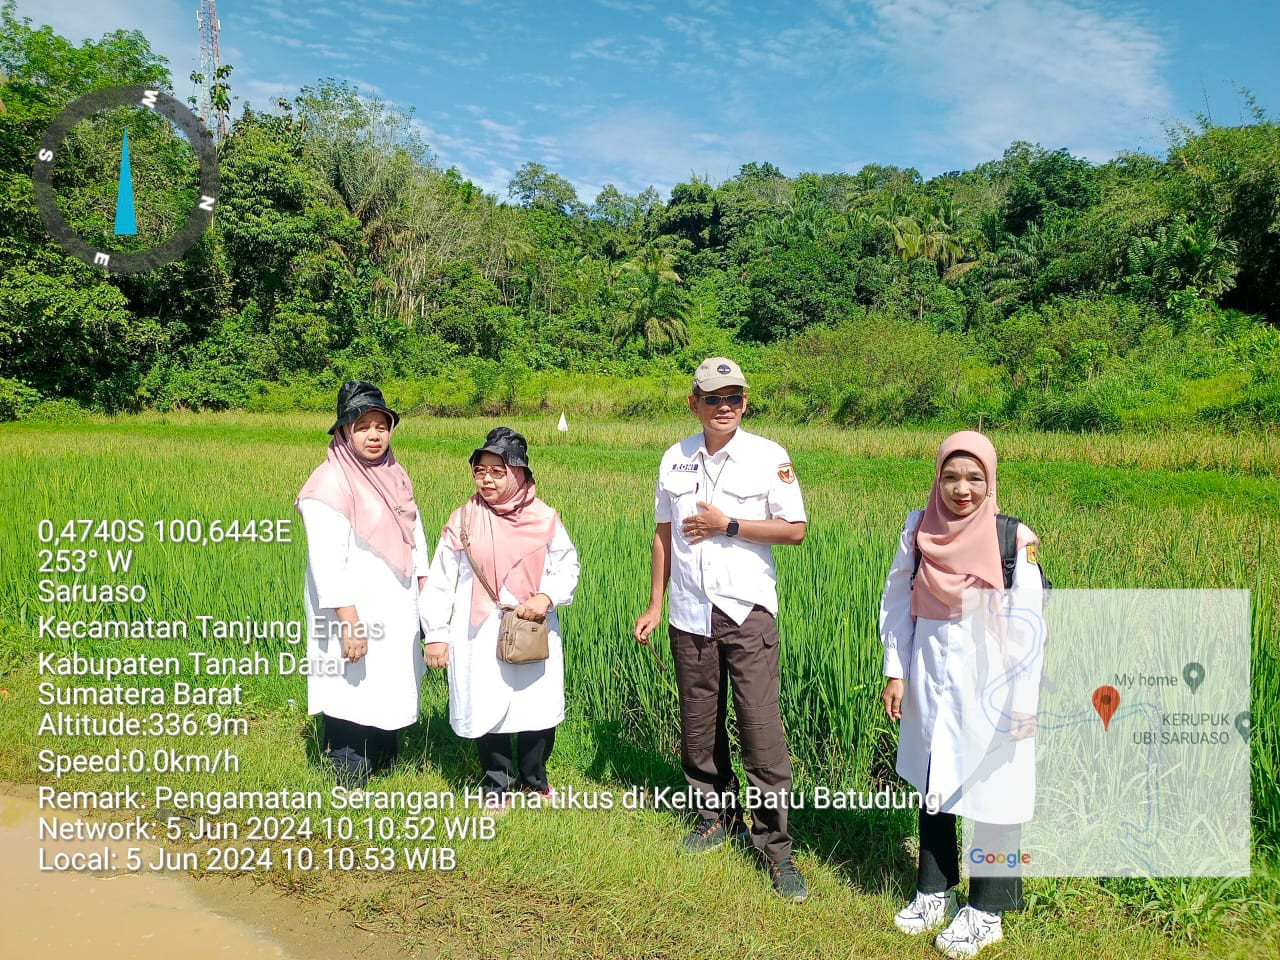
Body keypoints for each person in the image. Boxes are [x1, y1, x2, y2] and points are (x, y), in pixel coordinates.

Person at [632, 357, 809, 902]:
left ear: (745, 402)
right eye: (713, 397)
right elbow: (663, 533)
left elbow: (795, 530)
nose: (724, 406)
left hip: (746, 612)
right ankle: (715, 817)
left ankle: (776, 848)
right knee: (698, 724)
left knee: (761, 730)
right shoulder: (675, 458)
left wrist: (727, 525)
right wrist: (656, 601)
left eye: (733, 396)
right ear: (695, 404)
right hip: (689, 613)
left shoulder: (768, 456)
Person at [879, 431, 1046, 959]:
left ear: (990, 481)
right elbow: (896, 601)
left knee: (997, 789)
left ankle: (988, 910)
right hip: (931, 675)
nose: (962, 489)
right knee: (934, 781)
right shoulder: (918, 530)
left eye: (974, 477)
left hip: (995, 682)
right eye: (950, 477)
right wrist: (895, 671)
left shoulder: (1013, 540)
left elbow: (1030, 626)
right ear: (937, 480)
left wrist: (1023, 702)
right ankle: (934, 890)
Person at [420, 427, 579, 807]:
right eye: (480, 471)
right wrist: (436, 633)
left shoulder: (545, 518)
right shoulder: (464, 519)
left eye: (497, 471)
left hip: (532, 626)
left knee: (536, 707)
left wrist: (546, 596)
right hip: (478, 629)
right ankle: (497, 784)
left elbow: (567, 565)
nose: (487, 480)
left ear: (519, 473)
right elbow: (440, 579)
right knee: (485, 704)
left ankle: (534, 781)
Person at [296, 380, 429, 789]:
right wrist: (349, 621)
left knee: (389, 679)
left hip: (397, 600)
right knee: (351, 685)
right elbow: (328, 561)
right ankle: (347, 771)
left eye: (381, 426)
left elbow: (415, 535)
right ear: (343, 431)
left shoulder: (394, 474)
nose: (374, 435)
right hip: (351, 607)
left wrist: (426, 591)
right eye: (363, 426)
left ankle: (385, 760)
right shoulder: (328, 485)